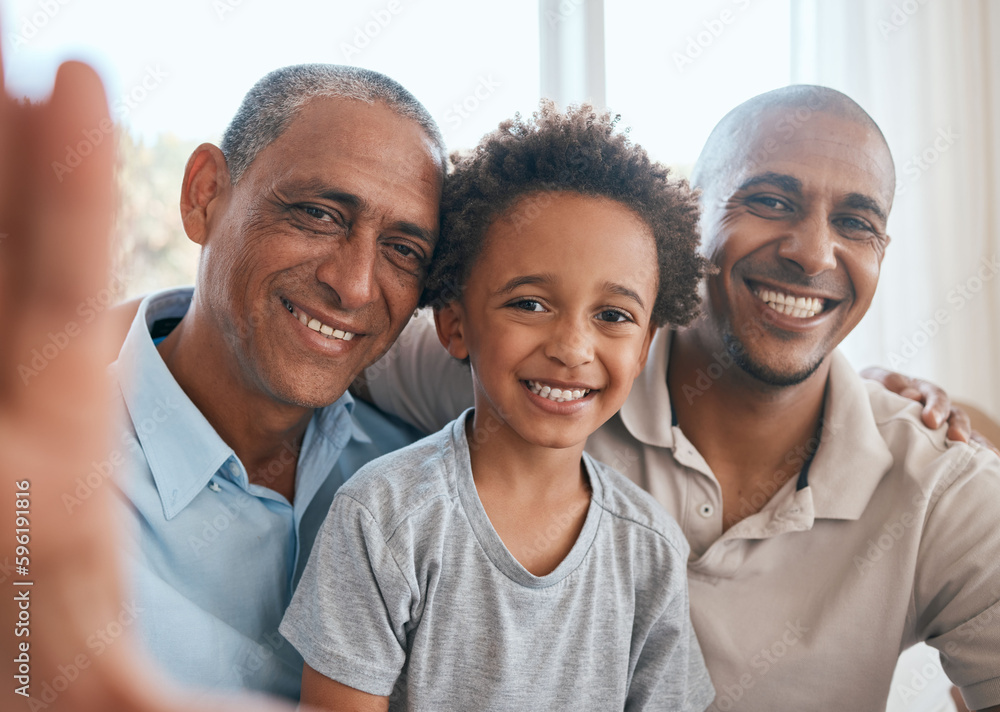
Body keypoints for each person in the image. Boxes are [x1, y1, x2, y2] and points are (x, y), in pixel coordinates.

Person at [359, 86, 1000, 711]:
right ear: (691, 217)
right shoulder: (542, 371)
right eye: (771, 201)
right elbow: (333, 347)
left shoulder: (944, 486)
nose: (812, 253)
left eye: (856, 223)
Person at [280, 104, 715, 711]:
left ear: (644, 347)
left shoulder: (650, 549)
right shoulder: (383, 518)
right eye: (530, 304)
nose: (571, 348)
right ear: (454, 327)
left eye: (613, 316)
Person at [108, 64, 448, 699]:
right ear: (204, 194)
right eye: (319, 214)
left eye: (404, 250)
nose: (353, 285)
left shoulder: (424, 475)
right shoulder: (36, 486)